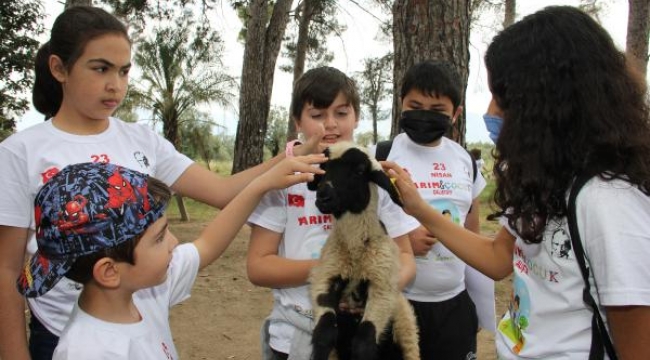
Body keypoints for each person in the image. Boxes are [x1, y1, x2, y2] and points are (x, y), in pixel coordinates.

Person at [0, 6, 322, 360]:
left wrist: (290, 156)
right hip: (58, 332)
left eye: (124, 71)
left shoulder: (142, 140)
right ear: (59, 68)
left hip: (142, 316)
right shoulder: (20, 152)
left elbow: (222, 192)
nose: (115, 85)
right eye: (101, 68)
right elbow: (7, 268)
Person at [382, 6, 650, 359]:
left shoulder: (609, 201)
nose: (491, 111)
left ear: (544, 105)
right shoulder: (544, 178)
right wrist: (418, 209)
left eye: (502, 98)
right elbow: (498, 259)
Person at [16, 158, 324, 359]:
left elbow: (207, 243)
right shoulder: (90, 351)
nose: (175, 242)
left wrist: (261, 184)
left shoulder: (141, 294)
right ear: (109, 272)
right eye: (161, 237)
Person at [246, 66, 419, 360]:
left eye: (341, 113)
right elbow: (258, 266)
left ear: (356, 116)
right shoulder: (282, 182)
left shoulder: (371, 173)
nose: (330, 125)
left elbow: (405, 258)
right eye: (317, 115)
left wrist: (371, 289)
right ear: (297, 120)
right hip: (295, 338)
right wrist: (334, 274)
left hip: (362, 337)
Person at [369, 60, 493, 360]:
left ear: (456, 114)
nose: (425, 115)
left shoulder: (465, 161)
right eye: (416, 105)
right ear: (401, 104)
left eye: (437, 110)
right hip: (394, 305)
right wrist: (400, 244)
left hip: (454, 309)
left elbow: (472, 238)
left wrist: (476, 309)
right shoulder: (378, 157)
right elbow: (354, 229)